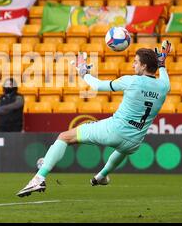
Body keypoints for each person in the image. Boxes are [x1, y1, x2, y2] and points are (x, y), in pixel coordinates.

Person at [17, 41, 172, 197]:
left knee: (64, 137)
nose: (133, 65)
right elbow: (163, 73)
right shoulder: (164, 86)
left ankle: (39, 178)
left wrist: (85, 73)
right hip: (135, 142)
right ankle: (102, 176)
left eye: (136, 62)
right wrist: (162, 64)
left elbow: (98, 86)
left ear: (144, 66)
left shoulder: (131, 81)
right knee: (122, 149)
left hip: (113, 131)